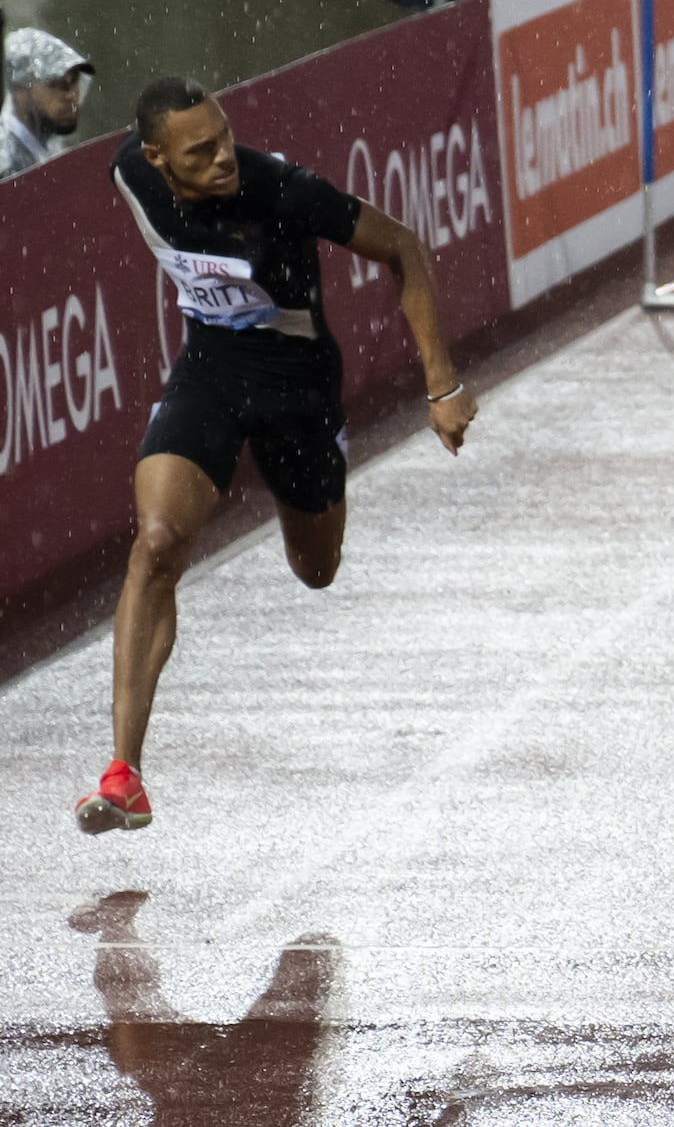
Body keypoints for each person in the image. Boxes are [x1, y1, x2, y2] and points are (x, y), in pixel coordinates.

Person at [84, 74, 477, 833]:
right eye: (202, 150)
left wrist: (442, 385)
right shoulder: (129, 173)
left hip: (298, 391)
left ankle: (287, 474)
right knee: (158, 544)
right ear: (158, 158)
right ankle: (124, 772)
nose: (225, 155)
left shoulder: (279, 187)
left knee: (317, 569)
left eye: (226, 135)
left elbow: (401, 245)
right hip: (211, 373)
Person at [0, 27, 98, 201]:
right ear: (20, 88)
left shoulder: (42, 147)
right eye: (57, 84)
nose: (71, 95)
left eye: (75, 81)